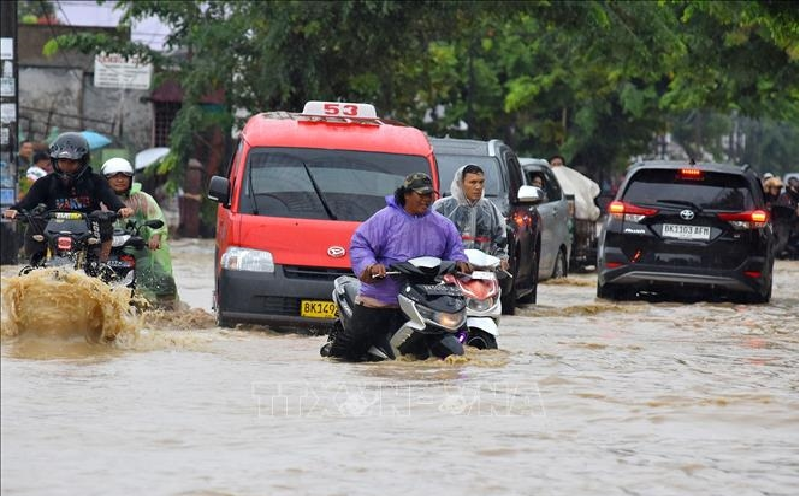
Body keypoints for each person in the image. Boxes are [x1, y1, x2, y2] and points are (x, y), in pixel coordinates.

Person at [322, 172, 472, 361]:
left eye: (430, 195)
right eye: (421, 194)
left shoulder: (442, 224)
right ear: (407, 194)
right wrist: (370, 266)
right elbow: (360, 244)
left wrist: (460, 261)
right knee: (355, 344)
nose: (427, 199)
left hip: (425, 298)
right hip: (383, 296)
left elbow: (455, 249)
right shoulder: (384, 219)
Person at [3, 132, 133, 263]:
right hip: (51, 230)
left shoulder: (95, 181)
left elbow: (111, 199)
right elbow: (28, 202)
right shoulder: (45, 182)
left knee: (104, 220)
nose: (66, 167)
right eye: (62, 162)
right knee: (35, 219)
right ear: (55, 162)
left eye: (72, 162)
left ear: (82, 162)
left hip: (89, 231)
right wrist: (15, 210)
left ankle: (102, 265)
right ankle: (35, 265)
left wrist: (122, 209)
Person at [101, 157, 177, 303]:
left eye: (124, 176)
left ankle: (167, 312)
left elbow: (157, 218)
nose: (120, 180)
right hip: (104, 252)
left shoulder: (143, 199)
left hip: (139, 251)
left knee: (164, 281)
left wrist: (155, 236)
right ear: (105, 179)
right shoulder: (97, 199)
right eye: (115, 176)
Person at [432, 164, 509, 271]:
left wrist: (501, 259)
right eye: (472, 182)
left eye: (481, 182)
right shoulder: (441, 208)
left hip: (484, 272)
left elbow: (500, 239)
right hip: (451, 271)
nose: (478, 187)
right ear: (460, 184)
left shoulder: (490, 209)